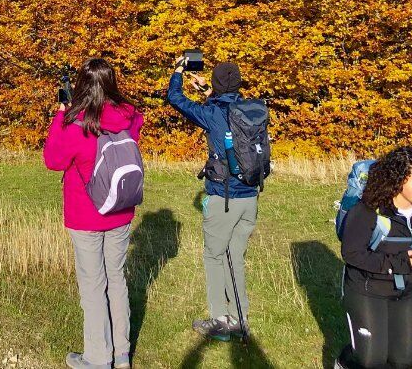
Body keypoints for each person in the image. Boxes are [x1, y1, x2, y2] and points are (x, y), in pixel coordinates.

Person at [43, 58, 144, 369]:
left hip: (86, 214)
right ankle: (122, 354)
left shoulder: (76, 124)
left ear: (82, 86)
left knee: (93, 284)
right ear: (112, 82)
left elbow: (53, 160)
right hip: (121, 210)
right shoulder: (130, 116)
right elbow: (133, 134)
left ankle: (98, 358)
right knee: (117, 279)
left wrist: (61, 115)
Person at [166, 57, 257, 341]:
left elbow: (175, 98)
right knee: (235, 257)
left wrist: (179, 71)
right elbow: (228, 109)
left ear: (217, 84)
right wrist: (208, 91)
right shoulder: (252, 110)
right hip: (250, 197)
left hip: (224, 197)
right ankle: (240, 318)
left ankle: (219, 320)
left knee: (214, 256)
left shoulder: (213, 114)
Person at [337, 146, 412, 369]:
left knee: (404, 360)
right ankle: (344, 362)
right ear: (398, 181)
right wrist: (399, 264)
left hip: (411, 292)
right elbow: (351, 254)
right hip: (368, 290)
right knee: (371, 360)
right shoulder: (368, 210)